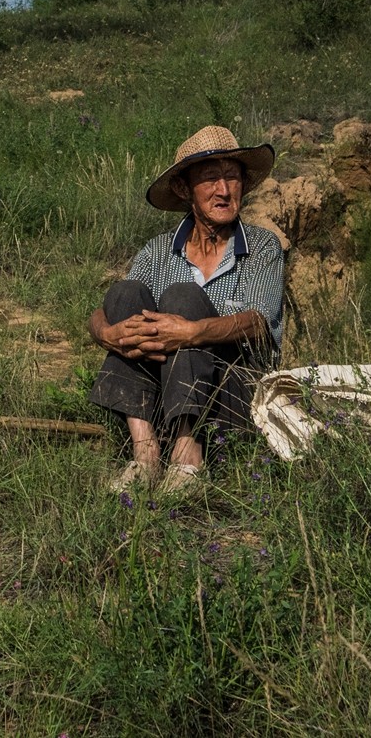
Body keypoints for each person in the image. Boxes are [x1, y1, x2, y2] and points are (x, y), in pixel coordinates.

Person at [88, 125, 284, 494]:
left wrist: (193, 331)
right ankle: (145, 453)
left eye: (232, 178)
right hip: (163, 394)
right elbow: (104, 312)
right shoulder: (158, 250)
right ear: (185, 190)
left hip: (232, 397)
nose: (224, 190)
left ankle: (187, 454)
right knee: (125, 293)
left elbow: (258, 321)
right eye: (210, 179)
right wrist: (107, 334)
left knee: (182, 297)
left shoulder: (262, 246)